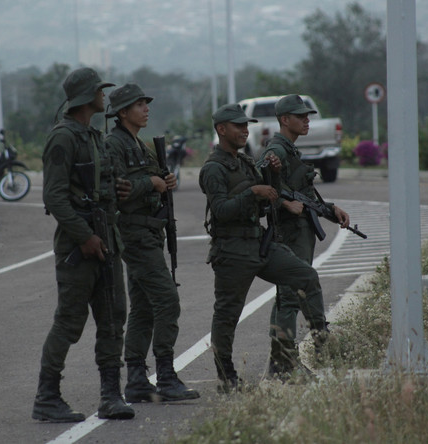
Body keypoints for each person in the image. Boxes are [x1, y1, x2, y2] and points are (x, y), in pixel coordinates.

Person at [198, 103, 329, 393]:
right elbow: (221, 209)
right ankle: (226, 377)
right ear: (221, 130)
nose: (245, 130)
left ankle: (319, 341)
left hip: (259, 244)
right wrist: (253, 192)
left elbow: (268, 198)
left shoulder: (245, 163)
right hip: (231, 250)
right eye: (238, 126)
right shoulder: (213, 169)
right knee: (227, 315)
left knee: (304, 276)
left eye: (247, 126)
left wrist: (272, 178)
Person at [32, 67, 134, 422]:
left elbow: (100, 186)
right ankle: (47, 397)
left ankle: (111, 395)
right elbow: (55, 198)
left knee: (112, 320)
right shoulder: (63, 137)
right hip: (80, 248)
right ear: (85, 97)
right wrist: (84, 236)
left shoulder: (92, 136)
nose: (104, 96)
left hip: (106, 239)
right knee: (69, 321)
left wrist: (118, 190)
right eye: (99, 91)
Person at [104, 83, 200, 403]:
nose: (146, 108)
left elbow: (154, 178)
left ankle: (135, 379)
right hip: (133, 234)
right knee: (167, 300)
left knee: (144, 306)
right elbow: (117, 187)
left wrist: (164, 180)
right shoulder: (115, 144)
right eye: (139, 104)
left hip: (148, 232)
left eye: (146, 103)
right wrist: (153, 182)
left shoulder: (139, 144)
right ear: (122, 112)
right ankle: (166, 375)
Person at [260, 94, 350, 380]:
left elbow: (305, 194)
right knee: (289, 296)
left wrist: (330, 210)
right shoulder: (277, 150)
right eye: (300, 116)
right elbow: (261, 188)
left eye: (307, 116)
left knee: (288, 295)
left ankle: (279, 360)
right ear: (285, 120)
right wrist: (284, 204)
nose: (307, 120)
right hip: (288, 231)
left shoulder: (290, 150)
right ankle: (286, 363)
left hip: (300, 231)